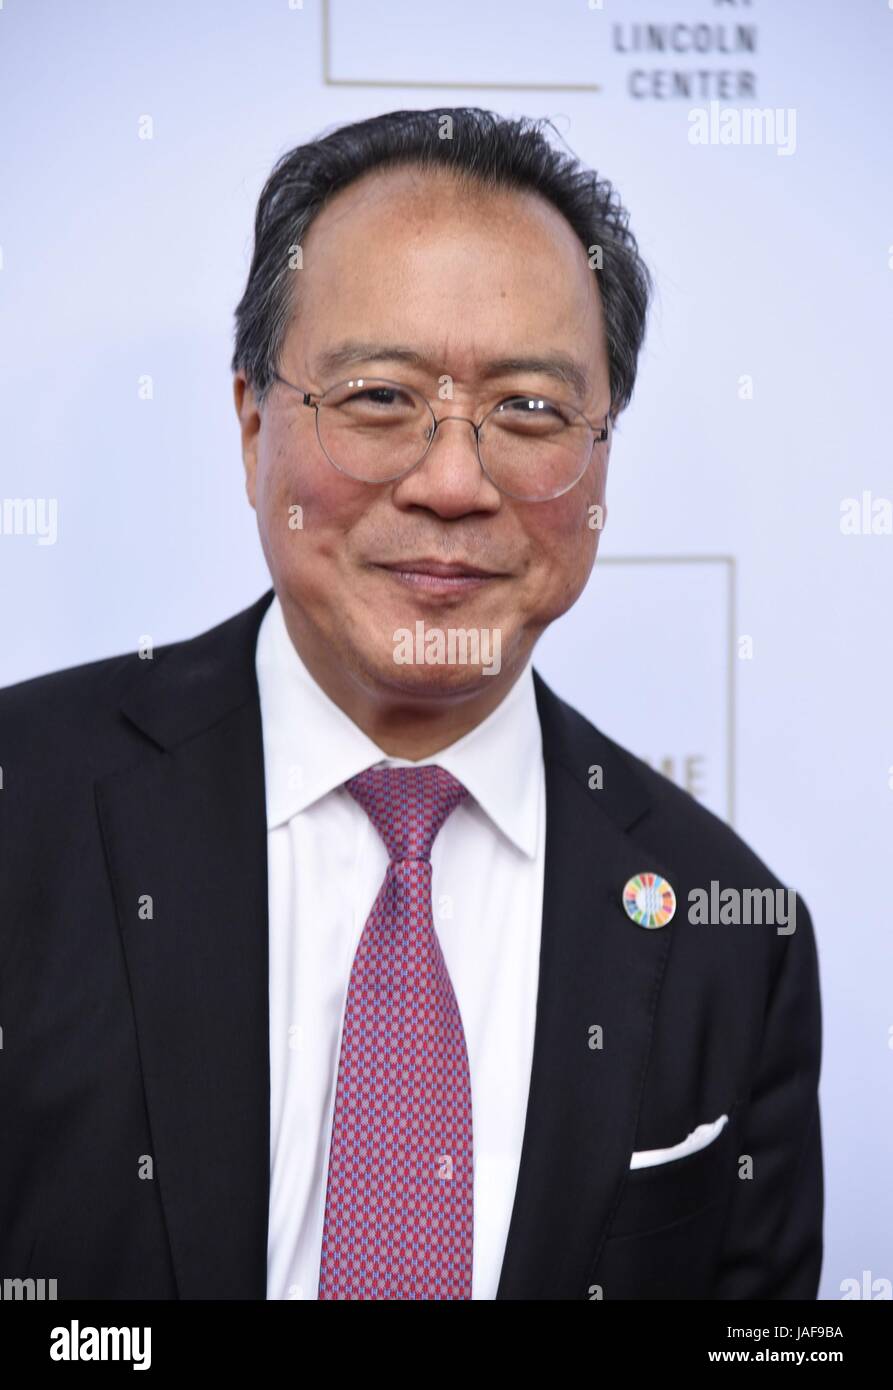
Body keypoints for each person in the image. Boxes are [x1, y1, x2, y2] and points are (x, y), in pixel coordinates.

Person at [0, 108, 822, 1300]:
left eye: (531, 412)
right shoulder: (25, 808)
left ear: (602, 461)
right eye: (379, 397)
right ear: (250, 428)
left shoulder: (726, 935)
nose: (450, 481)